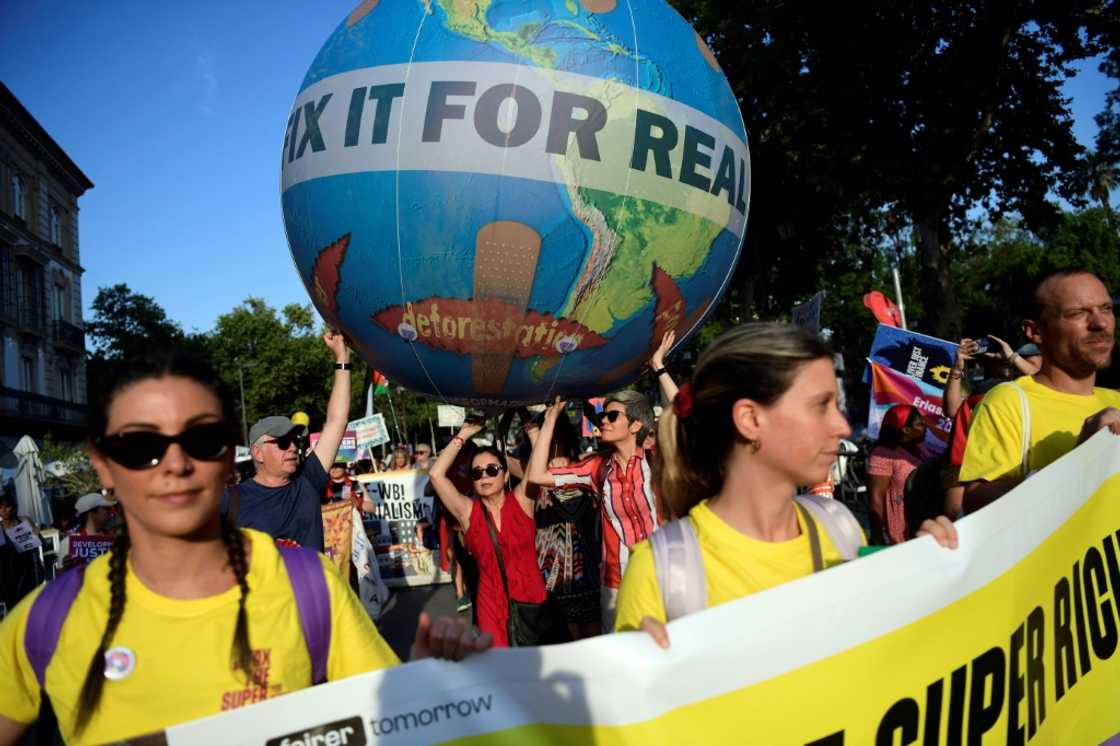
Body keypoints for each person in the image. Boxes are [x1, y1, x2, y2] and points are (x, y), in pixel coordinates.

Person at [0, 352, 490, 746]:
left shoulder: (309, 586)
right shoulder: (44, 620)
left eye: (203, 439)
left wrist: (419, 692)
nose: (176, 464)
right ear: (103, 467)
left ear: (223, 455)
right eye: (141, 446)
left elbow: (388, 723)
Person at [613, 323, 959, 646]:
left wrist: (926, 581)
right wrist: (649, 679)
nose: (841, 426)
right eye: (821, 405)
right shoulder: (660, 572)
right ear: (750, 419)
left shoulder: (839, 527)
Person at [960, 269, 1120, 513]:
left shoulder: (1115, 400)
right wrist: (1079, 461)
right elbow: (976, 504)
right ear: (1035, 331)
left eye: (1106, 308)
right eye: (1077, 313)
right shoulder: (1008, 402)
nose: (1100, 323)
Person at [527, 388, 660, 633]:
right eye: (601, 417)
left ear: (635, 425)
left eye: (611, 416)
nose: (603, 422)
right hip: (616, 583)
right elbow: (536, 475)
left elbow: (690, 420)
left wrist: (660, 370)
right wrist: (550, 420)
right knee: (622, 657)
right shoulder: (596, 467)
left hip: (664, 574)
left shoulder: (657, 460)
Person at [221, 331, 352, 550]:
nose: (292, 447)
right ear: (257, 452)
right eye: (282, 443)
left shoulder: (307, 478)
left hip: (313, 585)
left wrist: (342, 359)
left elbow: (337, 421)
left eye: (295, 441)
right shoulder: (231, 501)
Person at [428, 422, 551, 648]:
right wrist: (464, 434)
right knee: (500, 672)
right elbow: (436, 475)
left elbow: (537, 469)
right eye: (477, 473)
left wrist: (535, 432)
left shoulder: (522, 502)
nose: (484, 477)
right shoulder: (468, 512)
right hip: (490, 606)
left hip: (532, 602)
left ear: (505, 476)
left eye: (492, 470)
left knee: (535, 672)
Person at [525, 409, 602, 640]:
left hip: (586, 563)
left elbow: (614, 448)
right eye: (549, 433)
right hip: (550, 567)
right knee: (561, 639)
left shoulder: (586, 464)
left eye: (557, 433)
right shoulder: (530, 470)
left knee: (592, 640)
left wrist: (588, 407)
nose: (552, 440)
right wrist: (534, 436)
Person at [866, 404, 927, 545]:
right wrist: (878, 538)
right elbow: (876, 500)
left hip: (920, 526)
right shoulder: (883, 455)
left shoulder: (918, 448)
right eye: (920, 424)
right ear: (905, 429)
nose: (926, 427)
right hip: (899, 536)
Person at [0, 494, 45, 612]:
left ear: (13, 507)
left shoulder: (24, 520)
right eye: (0, 508)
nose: (3, 510)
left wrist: (36, 534)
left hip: (30, 572)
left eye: (7, 507)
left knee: (33, 608)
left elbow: (40, 542)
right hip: (9, 577)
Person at [57, 492, 120, 569]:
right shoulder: (68, 544)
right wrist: (65, 568)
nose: (110, 512)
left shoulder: (114, 539)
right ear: (92, 513)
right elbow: (60, 578)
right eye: (105, 509)